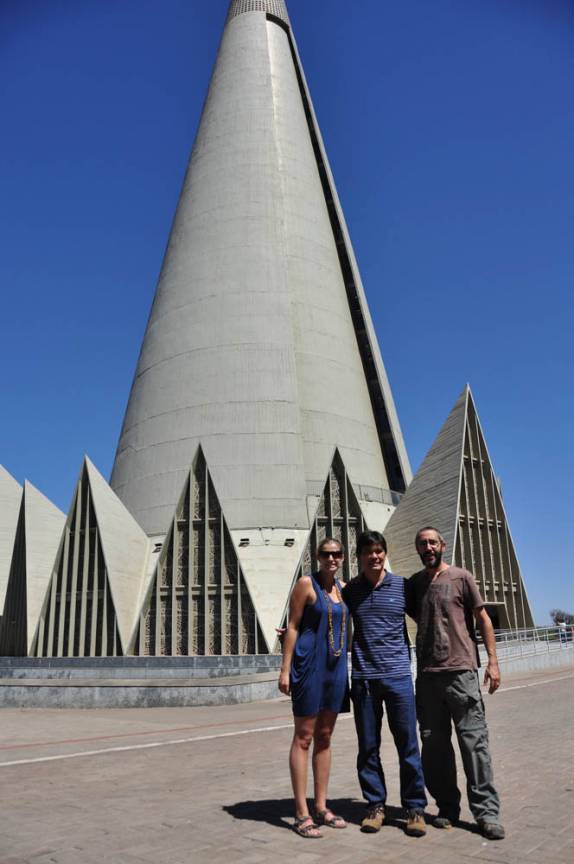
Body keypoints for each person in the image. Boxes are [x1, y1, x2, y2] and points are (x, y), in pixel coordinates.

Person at [406, 526, 505, 841]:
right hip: (427, 677)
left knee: (474, 745)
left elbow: (483, 619)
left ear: (442, 545)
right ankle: (447, 808)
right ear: (418, 549)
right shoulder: (416, 584)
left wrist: (493, 661)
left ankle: (487, 814)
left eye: (432, 542)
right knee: (434, 749)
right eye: (423, 543)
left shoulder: (462, 577)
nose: (428, 547)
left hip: (462, 673)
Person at [342, 530, 428, 837]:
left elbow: (427, 619)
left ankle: (415, 808)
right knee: (368, 747)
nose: (374, 556)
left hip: (398, 677)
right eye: (369, 552)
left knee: (408, 745)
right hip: (364, 680)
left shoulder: (402, 586)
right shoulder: (350, 590)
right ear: (360, 557)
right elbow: (328, 615)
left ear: (385, 554)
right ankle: (375, 806)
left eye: (379, 551)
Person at [278, 537, 350, 838]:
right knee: (304, 736)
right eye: (325, 554)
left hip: (335, 669)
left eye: (336, 554)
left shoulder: (345, 590)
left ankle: (321, 806)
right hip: (309, 668)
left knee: (325, 736)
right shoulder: (306, 584)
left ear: (343, 557)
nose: (331, 559)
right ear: (317, 557)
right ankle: (301, 812)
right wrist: (285, 670)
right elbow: (292, 625)